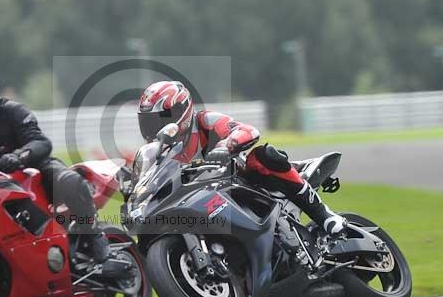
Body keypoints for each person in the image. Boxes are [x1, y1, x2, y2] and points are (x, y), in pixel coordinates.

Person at [0, 62, 124, 276]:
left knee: (69, 180)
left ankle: (95, 237)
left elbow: (41, 143)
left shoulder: (12, 112)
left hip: (32, 170)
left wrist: (19, 156)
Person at [137, 80, 347, 237]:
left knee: (262, 157)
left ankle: (325, 215)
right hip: (205, 202)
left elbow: (247, 131)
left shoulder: (204, 121)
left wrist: (225, 146)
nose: (153, 128)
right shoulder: (159, 153)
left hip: (245, 183)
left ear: (180, 111)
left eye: (158, 120)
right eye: (148, 122)